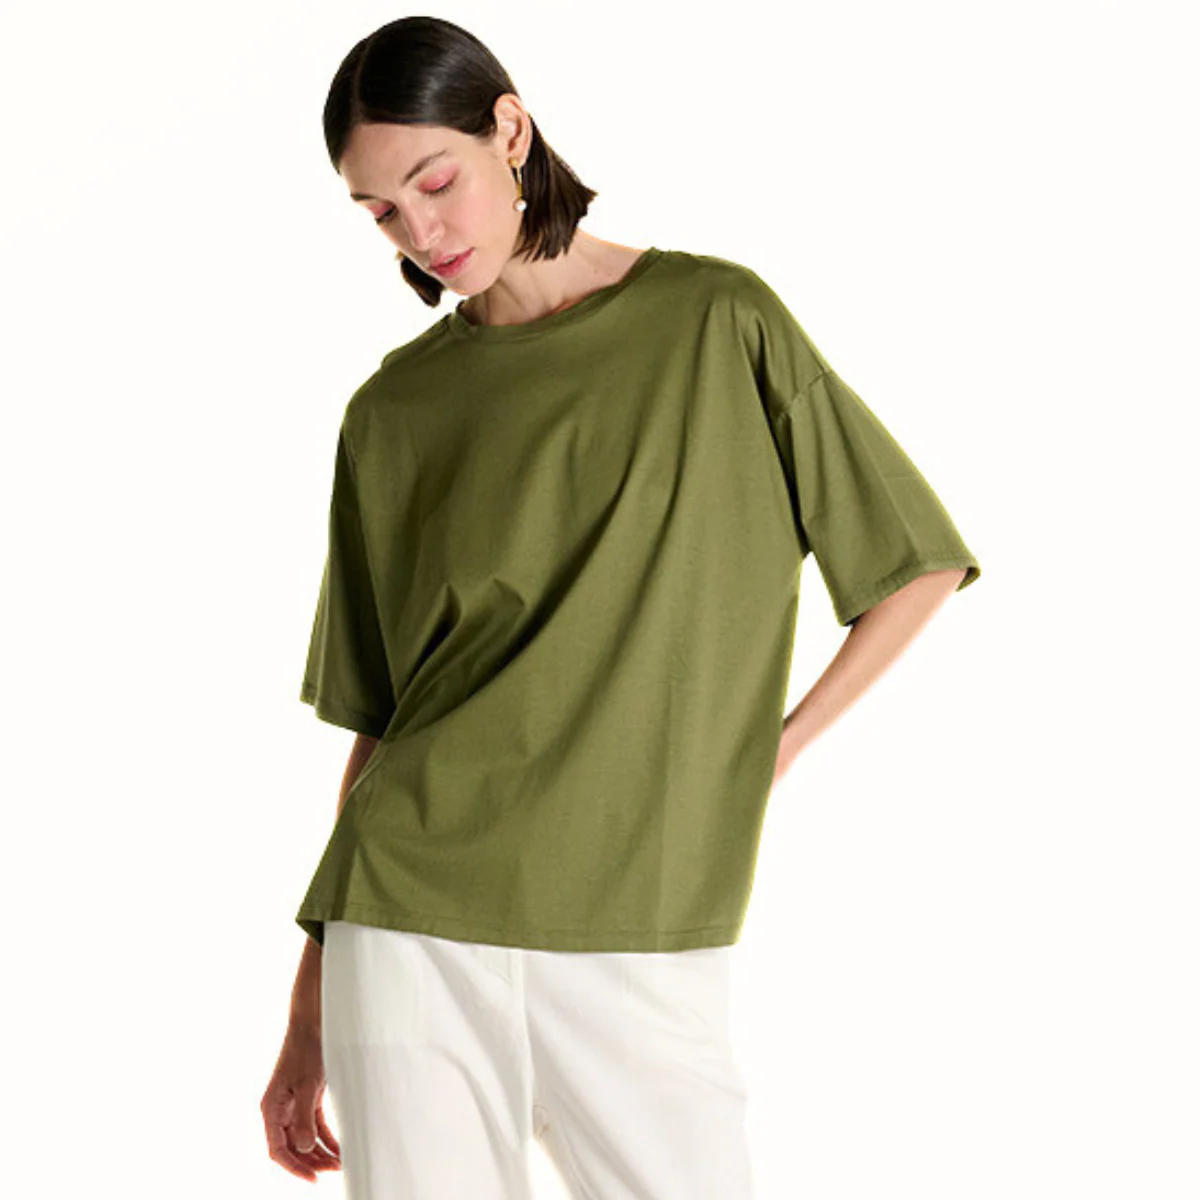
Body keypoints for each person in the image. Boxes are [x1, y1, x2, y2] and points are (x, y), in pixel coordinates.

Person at [261, 15, 982, 1199]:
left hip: (641, 916)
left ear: (509, 129)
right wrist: (306, 1011)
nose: (421, 233)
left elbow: (915, 566)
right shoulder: (391, 412)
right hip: (406, 924)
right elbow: (382, 722)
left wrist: (764, 756)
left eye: (433, 182)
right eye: (380, 212)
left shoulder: (716, 320)